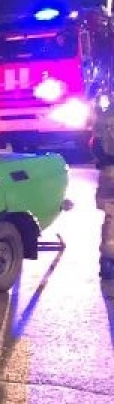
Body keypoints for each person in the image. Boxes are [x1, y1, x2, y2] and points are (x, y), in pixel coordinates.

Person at [92, 96, 114, 279]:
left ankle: (107, 262)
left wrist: (105, 163)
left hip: (110, 172)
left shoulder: (105, 115)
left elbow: (95, 144)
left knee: (111, 216)